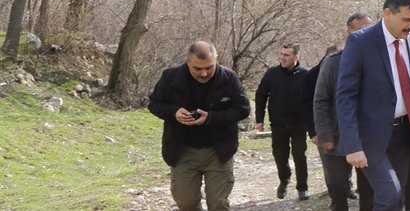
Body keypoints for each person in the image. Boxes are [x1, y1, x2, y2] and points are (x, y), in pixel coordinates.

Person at [337, 0, 410, 211]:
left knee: (396, 198)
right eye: (406, 19)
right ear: (388, 14)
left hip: (405, 133)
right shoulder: (361, 42)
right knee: (391, 194)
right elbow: (345, 97)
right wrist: (352, 145)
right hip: (370, 137)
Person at [147, 41, 251, 211]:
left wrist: (211, 117)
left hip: (219, 151)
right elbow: (154, 104)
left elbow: (243, 109)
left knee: (218, 204)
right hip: (182, 150)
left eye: (209, 67)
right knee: (186, 203)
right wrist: (174, 113)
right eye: (197, 68)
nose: (204, 73)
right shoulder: (170, 77)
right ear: (188, 62)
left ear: (216, 60)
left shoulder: (229, 78)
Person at [314, 13, 376, 211]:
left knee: (369, 190)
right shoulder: (333, 62)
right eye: (362, 29)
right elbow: (321, 100)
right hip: (336, 137)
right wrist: (325, 135)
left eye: (370, 29)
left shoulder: (377, 62)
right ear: (350, 31)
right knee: (337, 187)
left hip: (367, 137)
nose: (367, 34)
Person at [256, 44, 311, 200]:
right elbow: (260, 95)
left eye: (286, 55)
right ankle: (284, 180)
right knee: (280, 156)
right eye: (281, 54)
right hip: (278, 124)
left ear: (296, 57)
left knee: (299, 154)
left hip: (299, 124)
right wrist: (259, 119)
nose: (282, 58)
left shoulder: (305, 75)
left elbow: (312, 100)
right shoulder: (272, 74)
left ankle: (302, 188)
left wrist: (313, 123)